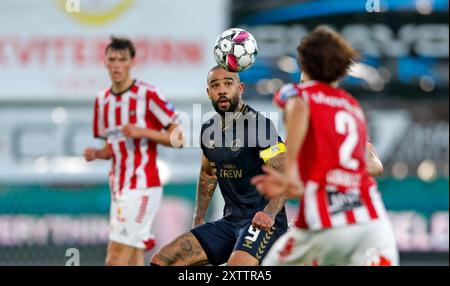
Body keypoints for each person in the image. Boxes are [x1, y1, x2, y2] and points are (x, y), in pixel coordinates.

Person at [252, 27, 398, 266]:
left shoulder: (298, 94)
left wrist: (288, 174)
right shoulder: (352, 107)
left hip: (325, 225)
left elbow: (296, 110)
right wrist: (338, 174)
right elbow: (375, 165)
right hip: (373, 223)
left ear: (306, 63)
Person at [151, 65, 288, 266]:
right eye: (215, 85)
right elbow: (208, 174)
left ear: (240, 88)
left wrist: (269, 213)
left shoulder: (260, 126)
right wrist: (199, 217)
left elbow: (285, 175)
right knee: (163, 260)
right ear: (209, 93)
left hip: (263, 223)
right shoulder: (209, 130)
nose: (222, 90)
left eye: (228, 83)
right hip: (230, 223)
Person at [84, 36, 183, 266]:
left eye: (122, 59)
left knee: (116, 257)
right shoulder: (102, 101)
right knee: (133, 258)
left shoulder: (147, 94)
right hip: (118, 190)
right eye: (112, 59)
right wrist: (98, 154)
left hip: (142, 186)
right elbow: (114, 147)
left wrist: (144, 131)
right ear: (106, 63)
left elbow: (179, 138)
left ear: (131, 62)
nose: (117, 64)